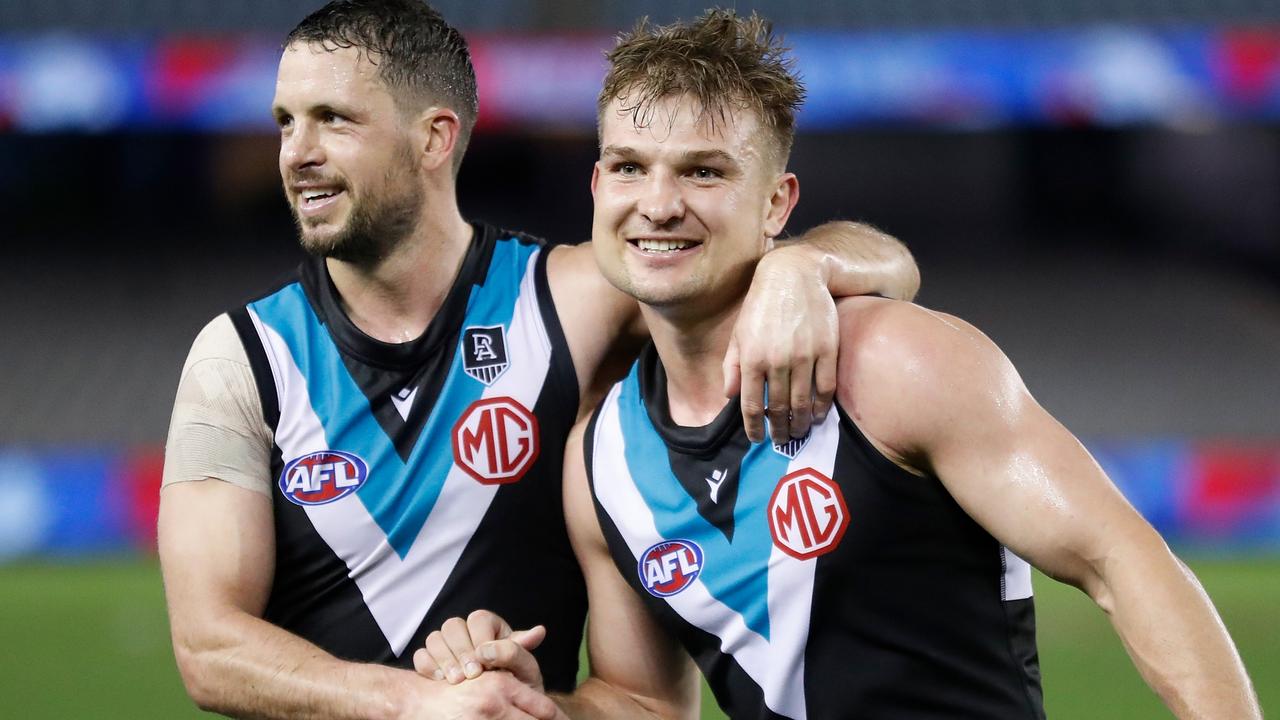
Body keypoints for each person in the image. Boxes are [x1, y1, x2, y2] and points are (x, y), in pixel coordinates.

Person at [416, 9, 1263, 720]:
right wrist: (533, 703)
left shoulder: (896, 362)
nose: (660, 203)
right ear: (598, 189)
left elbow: (1122, 560)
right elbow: (644, 704)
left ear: (777, 203)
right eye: (632, 169)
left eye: (704, 172)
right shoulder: (597, 461)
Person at [156, 1, 920, 718]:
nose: (297, 153)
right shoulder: (241, 358)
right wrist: (419, 705)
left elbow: (888, 264)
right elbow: (208, 648)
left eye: (333, 120)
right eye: (286, 122)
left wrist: (799, 269)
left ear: (435, 138)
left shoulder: (575, 299)